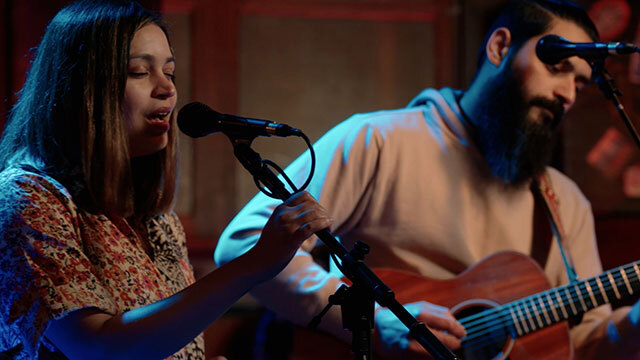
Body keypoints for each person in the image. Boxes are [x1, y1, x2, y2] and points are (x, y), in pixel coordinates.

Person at [215, 0, 640, 358]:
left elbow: (582, 341)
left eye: (580, 85)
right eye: (558, 66)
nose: (567, 94)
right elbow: (244, 242)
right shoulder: (377, 139)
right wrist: (378, 323)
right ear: (499, 47)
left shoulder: (565, 202)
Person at [0, 1, 332, 359]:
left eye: (169, 72)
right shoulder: (27, 199)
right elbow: (98, 347)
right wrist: (253, 265)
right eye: (139, 72)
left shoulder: (156, 218)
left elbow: (164, 340)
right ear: (83, 90)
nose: (167, 89)